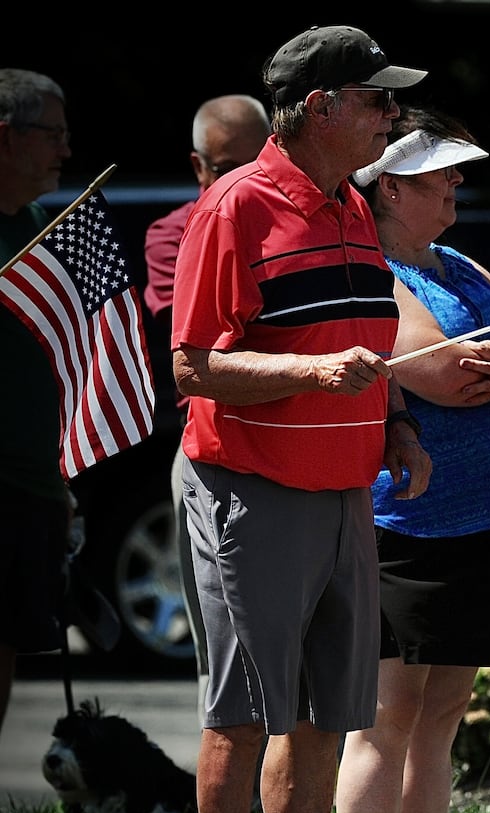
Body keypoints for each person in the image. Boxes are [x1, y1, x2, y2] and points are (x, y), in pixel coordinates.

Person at [172, 25, 432, 813]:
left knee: (326, 715)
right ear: (319, 106)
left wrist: (397, 421)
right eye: (377, 100)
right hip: (252, 491)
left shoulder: (354, 208)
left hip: (344, 493)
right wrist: (310, 373)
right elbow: (195, 364)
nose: (391, 116)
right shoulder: (234, 206)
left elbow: (363, 332)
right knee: (243, 716)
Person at [334, 106, 490, 813]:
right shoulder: (373, 271)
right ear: (387, 189)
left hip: (484, 522)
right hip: (405, 524)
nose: (456, 184)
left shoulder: (454, 261)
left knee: (442, 718)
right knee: (384, 719)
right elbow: (446, 375)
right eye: (439, 174)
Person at [143, 93, 271, 711]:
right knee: (219, 654)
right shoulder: (176, 232)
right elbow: (200, 342)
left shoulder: (310, 220)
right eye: (226, 168)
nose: (243, 180)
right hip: (213, 450)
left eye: (256, 161)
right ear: (199, 169)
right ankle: (229, 797)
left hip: (301, 450)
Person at [0, 68, 72, 739]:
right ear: (5, 138)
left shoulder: (44, 229)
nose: (66, 149)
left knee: (7, 654)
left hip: (32, 490)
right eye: (51, 134)